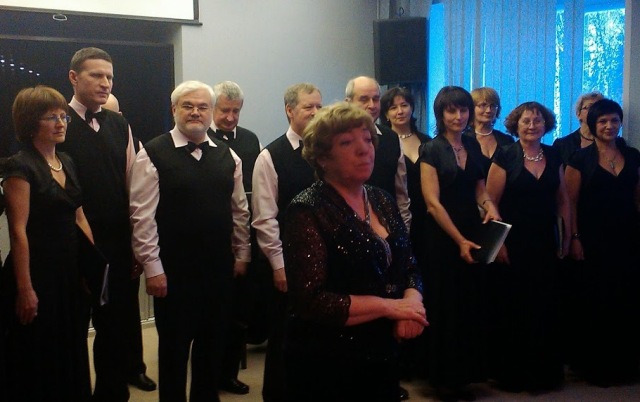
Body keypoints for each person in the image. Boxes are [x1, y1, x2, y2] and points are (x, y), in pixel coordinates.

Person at [283, 101, 428, 402]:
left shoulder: (382, 199)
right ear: (322, 157)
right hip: (329, 359)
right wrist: (391, 308)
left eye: (367, 139)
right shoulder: (306, 209)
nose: (364, 150)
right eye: (347, 142)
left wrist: (411, 304)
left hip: (382, 351)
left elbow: (409, 265)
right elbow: (311, 301)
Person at [129, 80, 251, 401]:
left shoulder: (229, 155)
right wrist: (152, 268)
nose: (195, 112)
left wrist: (242, 254)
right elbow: (142, 217)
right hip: (173, 272)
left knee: (211, 348)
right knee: (174, 350)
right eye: (188, 106)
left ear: (211, 112)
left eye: (202, 107)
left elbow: (239, 210)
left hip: (218, 269)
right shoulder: (152, 154)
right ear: (174, 109)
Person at [57, 47, 154, 400]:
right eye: (96, 75)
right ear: (73, 77)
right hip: (73, 243)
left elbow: (133, 185)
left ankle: (112, 395)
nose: (105, 83)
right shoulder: (58, 124)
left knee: (114, 328)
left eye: (109, 77)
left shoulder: (119, 124)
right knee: (73, 329)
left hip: (116, 242)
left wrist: (137, 244)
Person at [1, 85, 93, 401]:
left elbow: (80, 217)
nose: (60, 123)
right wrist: (25, 288)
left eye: (63, 116)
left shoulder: (66, 161)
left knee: (71, 343)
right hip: (36, 272)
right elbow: (18, 232)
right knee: (38, 350)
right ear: (30, 123)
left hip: (68, 271)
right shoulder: (19, 166)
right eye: (51, 117)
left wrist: (91, 268)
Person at [419, 86, 500, 401]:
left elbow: (479, 188)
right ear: (441, 114)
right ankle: (445, 380)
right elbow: (432, 203)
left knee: (468, 303)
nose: (459, 116)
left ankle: (465, 376)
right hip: (443, 236)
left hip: (471, 231)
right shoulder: (431, 149)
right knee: (446, 305)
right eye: (451, 110)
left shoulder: (472, 144)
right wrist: (459, 240)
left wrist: (489, 207)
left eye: (463, 109)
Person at [485, 101, 570, 392]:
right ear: (515, 125)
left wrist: (567, 237)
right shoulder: (505, 155)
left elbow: (563, 200)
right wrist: (498, 244)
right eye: (526, 121)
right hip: (513, 242)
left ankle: (542, 374)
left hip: (544, 241)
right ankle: (513, 375)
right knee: (515, 307)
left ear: (546, 125)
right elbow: (491, 202)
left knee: (543, 306)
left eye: (537, 121)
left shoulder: (554, 155)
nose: (532, 126)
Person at [251, 83, 322, 402]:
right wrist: (278, 266)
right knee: (284, 337)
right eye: (309, 107)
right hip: (286, 262)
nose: (316, 112)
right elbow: (264, 218)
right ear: (289, 110)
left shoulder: (327, 150)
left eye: (319, 106)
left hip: (324, 259)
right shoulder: (270, 156)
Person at [565, 98, 640, 387]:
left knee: (626, 298)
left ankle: (625, 365)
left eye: (614, 120)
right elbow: (570, 203)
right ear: (592, 125)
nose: (609, 126)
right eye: (603, 121)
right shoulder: (579, 159)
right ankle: (597, 367)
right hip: (592, 239)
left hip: (627, 237)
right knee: (597, 301)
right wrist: (574, 238)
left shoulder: (632, 155)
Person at [208, 80, 261, 395]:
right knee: (214, 312)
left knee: (239, 310)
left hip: (245, 231)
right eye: (224, 110)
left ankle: (229, 372)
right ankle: (210, 371)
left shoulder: (251, 139)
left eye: (235, 111)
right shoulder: (203, 138)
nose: (230, 117)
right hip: (214, 234)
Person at [379, 86, 431, 379]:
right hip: (395, 222)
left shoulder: (428, 142)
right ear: (386, 113)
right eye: (393, 107)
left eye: (404, 105)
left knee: (421, 287)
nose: (400, 111)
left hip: (427, 222)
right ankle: (400, 362)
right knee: (397, 287)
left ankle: (423, 356)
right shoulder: (382, 143)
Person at [345, 76, 412, 231]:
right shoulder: (337, 140)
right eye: (364, 99)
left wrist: (404, 229)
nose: (372, 105)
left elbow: (401, 192)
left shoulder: (392, 138)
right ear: (348, 102)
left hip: (387, 227)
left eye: (376, 99)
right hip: (347, 227)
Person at [467, 87, 514, 176]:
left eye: (493, 106)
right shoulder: (463, 140)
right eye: (483, 105)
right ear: (471, 109)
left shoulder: (507, 140)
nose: (489, 110)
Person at [553, 91, 604, 167]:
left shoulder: (612, 144)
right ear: (578, 114)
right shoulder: (562, 145)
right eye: (590, 107)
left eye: (599, 108)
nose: (595, 111)